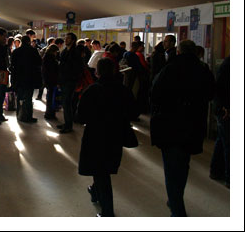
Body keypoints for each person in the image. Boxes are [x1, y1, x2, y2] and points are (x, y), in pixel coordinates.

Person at [150, 40, 215, 217]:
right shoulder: (203, 70)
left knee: (171, 169)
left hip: (170, 125)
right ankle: (176, 199)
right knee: (183, 165)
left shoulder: (170, 69)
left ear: (178, 52)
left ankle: (178, 211)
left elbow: (155, 94)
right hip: (193, 125)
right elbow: (210, 93)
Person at [76, 58, 135, 217]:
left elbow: (80, 116)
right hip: (116, 135)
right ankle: (94, 191)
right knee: (104, 168)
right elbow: (133, 112)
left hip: (95, 135)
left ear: (97, 72)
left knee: (100, 171)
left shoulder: (92, 90)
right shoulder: (123, 90)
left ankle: (108, 211)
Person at [10, 35, 42, 123]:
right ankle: (27, 116)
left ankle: (19, 114)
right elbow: (39, 62)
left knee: (19, 96)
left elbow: (12, 65)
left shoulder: (16, 51)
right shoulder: (33, 51)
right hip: (30, 78)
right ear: (29, 42)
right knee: (28, 98)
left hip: (19, 78)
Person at [56, 32, 83, 134]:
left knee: (67, 103)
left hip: (70, 81)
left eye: (68, 38)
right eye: (65, 38)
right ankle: (67, 123)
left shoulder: (75, 52)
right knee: (65, 103)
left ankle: (68, 125)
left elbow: (78, 68)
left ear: (73, 40)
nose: (65, 40)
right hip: (64, 80)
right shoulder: (65, 51)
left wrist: (73, 78)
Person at [209, 57, 230, 188]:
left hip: (222, 107)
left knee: (223, 140)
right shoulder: (229, 64)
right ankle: (229, 176)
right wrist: (224, 106)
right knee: (228, 143)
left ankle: (216, 171)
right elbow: (221, 88)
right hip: (225, 109)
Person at [42, 44, 60, 120]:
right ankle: (50, 113)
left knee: (49, 97)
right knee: (51, 97)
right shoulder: (51, 59)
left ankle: (48, 113)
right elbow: (54, 70)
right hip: (52, 80)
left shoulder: (45, 57)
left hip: (47, 80)